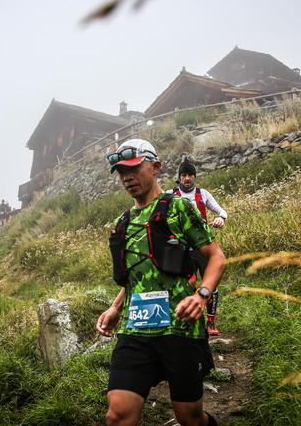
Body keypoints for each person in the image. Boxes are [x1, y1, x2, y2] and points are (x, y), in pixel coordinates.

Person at [96, 139, 226, 426]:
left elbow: (216, 257)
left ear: (155, 167)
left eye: (133, 169)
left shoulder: (179, 208)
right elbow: (136, 272)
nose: (127, 177)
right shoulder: (123, 221)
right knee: (117, 414)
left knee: (189, 418)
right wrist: (116, 307)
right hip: (135, 328)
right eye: (121, 172)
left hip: (180, 327)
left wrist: (202, 295)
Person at [167, 158, 228, 336]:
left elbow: (221, 211)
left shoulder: (203, 194)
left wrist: (220, 219)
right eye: (184, 175)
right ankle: (186, 318)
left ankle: (210, 322)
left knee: (211, 283)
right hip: (181, 249)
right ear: (179, 177)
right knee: (187, 282)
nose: (187, 178)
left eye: (190, 175)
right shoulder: (170, 195)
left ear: (194, 177)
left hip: (203, 247)